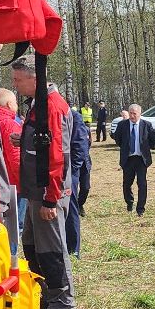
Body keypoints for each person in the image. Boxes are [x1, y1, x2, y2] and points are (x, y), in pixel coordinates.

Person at [10, 55, 79, 309]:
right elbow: (44, 144)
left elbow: (57, 154)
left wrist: (51, 199)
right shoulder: (39, 104)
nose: (15, 85)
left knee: (51, 247)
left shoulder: (51, 106)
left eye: (18, 80)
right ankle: (47, 298)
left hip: (47, 191)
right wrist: (24, 140)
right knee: (33, 244)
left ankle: (63, 302)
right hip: (35, 189)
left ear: (34, 78)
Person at [0, 86, 24, 259]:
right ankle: (10, 260)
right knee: (14, 225)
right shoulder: (10, 123)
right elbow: (16, 157)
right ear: (11, 104)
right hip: (13, 185)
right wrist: (24, 182)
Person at [113, 103, 155, 217]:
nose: (132, 116)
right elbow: (118, 139)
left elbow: (152, 141)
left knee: (142, 183)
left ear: (139, 114)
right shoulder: (122, 125)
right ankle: (129, 202)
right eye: (130, 113)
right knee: (127, 183)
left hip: (141, 159)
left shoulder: (147, 125)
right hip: (128, 159)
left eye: (134, 114)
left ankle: (140, 208)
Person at [65, 94, 91, 258]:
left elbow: (81, 146)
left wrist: (72, 170)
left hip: (71, 171)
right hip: (57, 170)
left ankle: (74, 248)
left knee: (71, 206)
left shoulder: (74, 117)